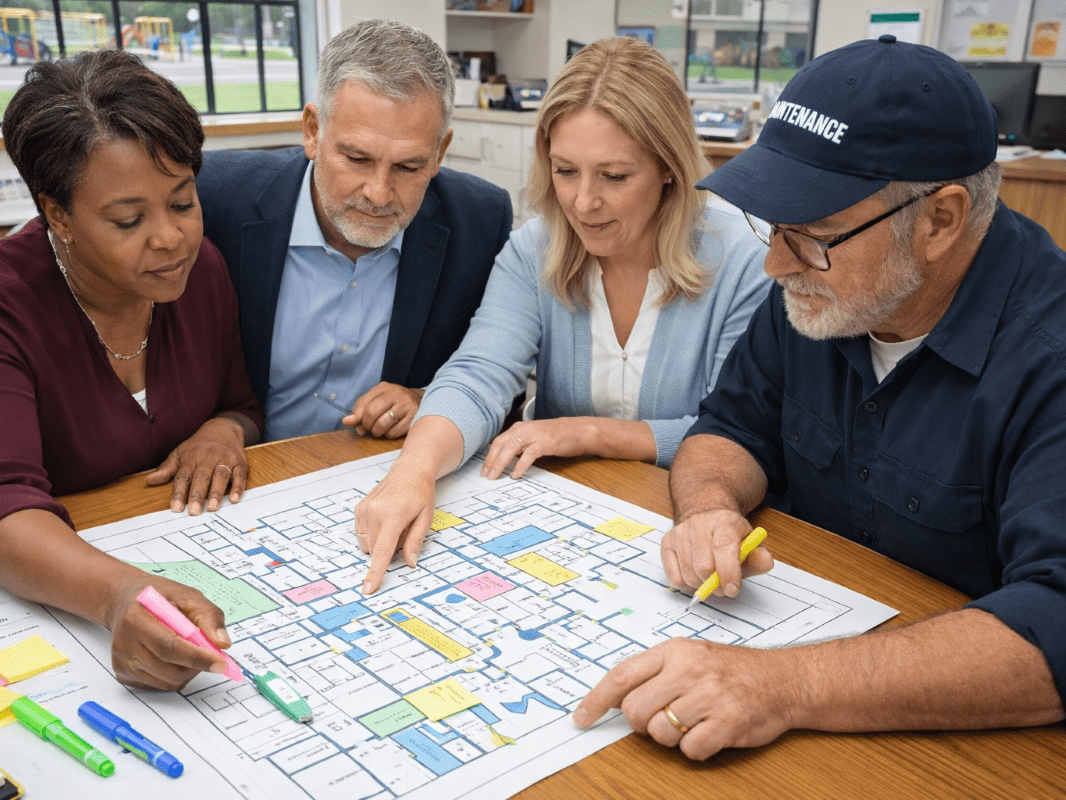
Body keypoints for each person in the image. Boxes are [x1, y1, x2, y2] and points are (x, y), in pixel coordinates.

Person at [574, 36, 1066, 760]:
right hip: (811, 660)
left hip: (962, 745)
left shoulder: (1048, 357)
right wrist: (708, 508)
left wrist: (784, 685)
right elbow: (731, 427)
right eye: (774, 226)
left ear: (939, 220)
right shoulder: (820, 293)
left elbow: (1054, 622)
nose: (776, 263)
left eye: (811, 233)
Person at [0, 49, 265, 692]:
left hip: (104, 555)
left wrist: (222, 431)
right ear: (58, 215)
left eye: (183, 203)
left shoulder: (197, 270)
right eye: (128, 220)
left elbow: (239, 402)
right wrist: (120, 595)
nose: (170, 238)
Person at [353, 37, 770, 594]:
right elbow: (478, 374)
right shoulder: (536, 246)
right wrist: (413, 472)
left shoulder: (747, 257)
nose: (582, 202)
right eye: (565, 170)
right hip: (566, 532)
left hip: (693, 531)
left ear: (669, 168)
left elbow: (739, 433)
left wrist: (586, 432)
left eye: (614, 176)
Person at [197, 19, 512, 442]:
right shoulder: (213, 199)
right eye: (357, 159)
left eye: (408, 166)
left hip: (385, 468)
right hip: (248, 467)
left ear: (440, 152)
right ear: (313, 131)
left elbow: (500, 378)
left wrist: (429, 398)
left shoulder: (481, 220)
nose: (379, 194)